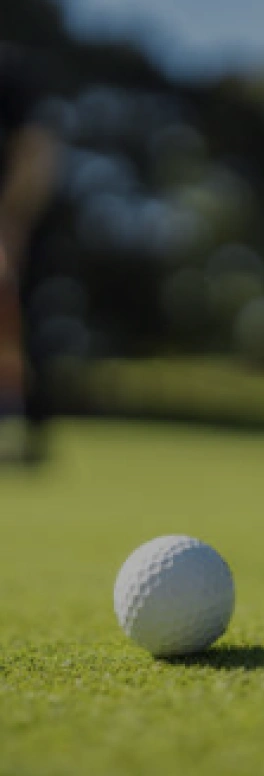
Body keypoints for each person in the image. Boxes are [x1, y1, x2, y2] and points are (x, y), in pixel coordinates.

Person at [0, 43, 58, 464]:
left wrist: (11, 226)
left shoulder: (10, 72)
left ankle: (30, 443)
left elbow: (36, 151)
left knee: (23, 328)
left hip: (12, 223)